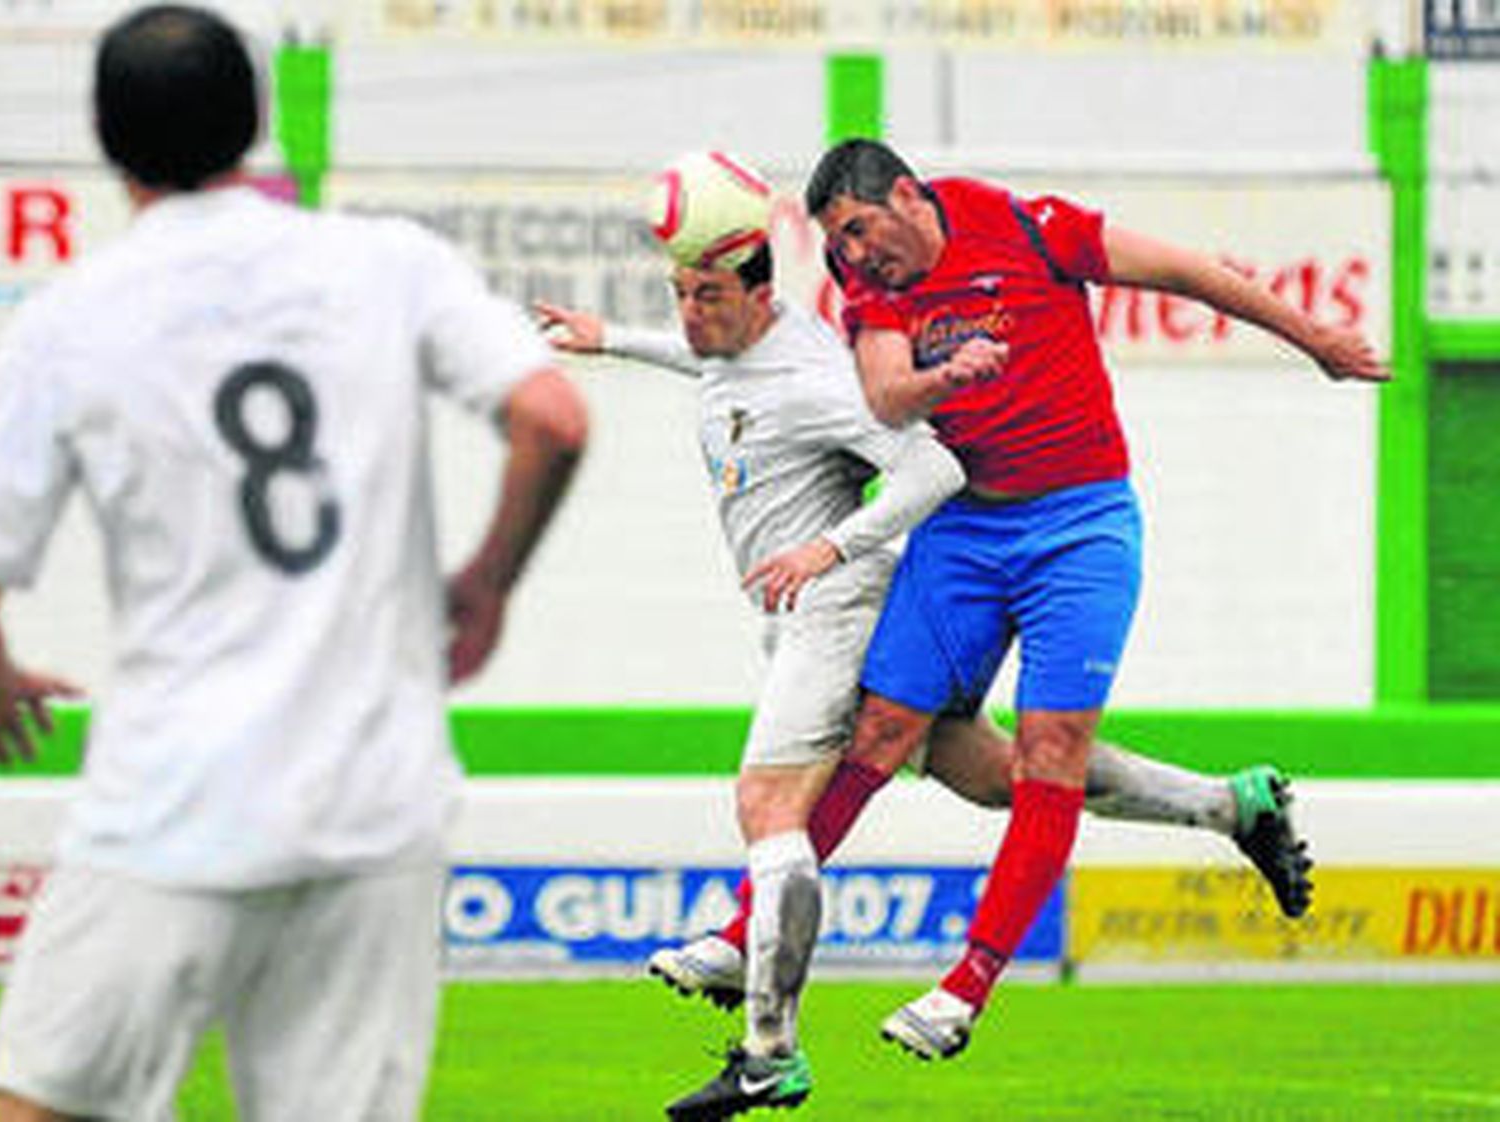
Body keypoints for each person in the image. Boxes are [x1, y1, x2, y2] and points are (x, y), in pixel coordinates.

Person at [0, 7, 587, 1121]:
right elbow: (554, 416)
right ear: (255, 119)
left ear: (105, 133)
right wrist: (487, 581)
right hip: (374, 807)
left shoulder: (69, 318)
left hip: (174, 803)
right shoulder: (386, 262)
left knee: (38, 1105)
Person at [537, 188, 1317, 1116]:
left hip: (844, 599)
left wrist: (832, 545)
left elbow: (925, 456)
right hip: (880, 581)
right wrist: (611, 338)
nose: (690, 312)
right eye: (682, 296)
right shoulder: (759, 347)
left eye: (704, 293)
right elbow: (730, 364)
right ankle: (1231, 806)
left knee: (771, 800)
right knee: (996, 772)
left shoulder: (864, 333)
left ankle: (769, 1031)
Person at [792, 137, 1387, 1063]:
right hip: (962, 530)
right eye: (839, 243)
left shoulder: (1031, 229)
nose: (855, 256)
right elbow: (885, 396)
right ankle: (1233, 807)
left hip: (1080, 524)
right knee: (894, 734)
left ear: (909, 194)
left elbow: (1189, 273)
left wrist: (1316, 341)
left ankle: (966, 989)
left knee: (1048, 752)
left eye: (863, 231)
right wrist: (946, 377)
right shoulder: (871, 283)